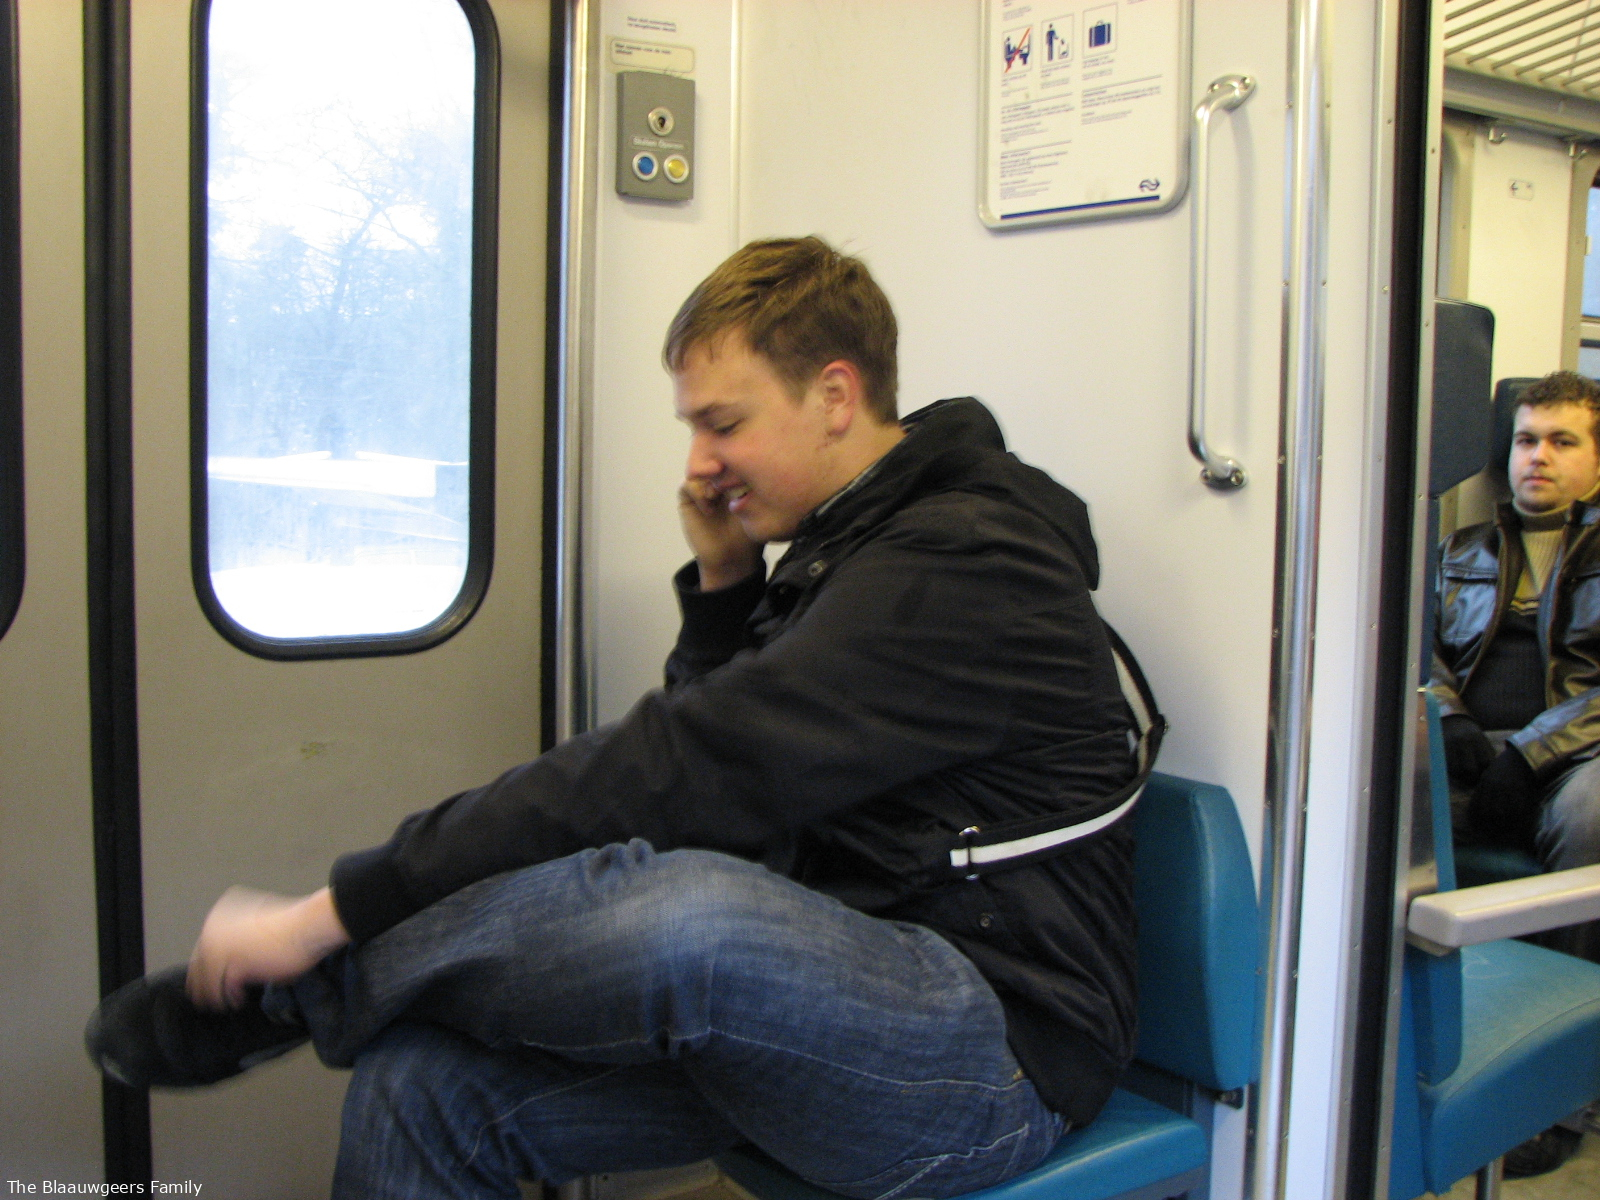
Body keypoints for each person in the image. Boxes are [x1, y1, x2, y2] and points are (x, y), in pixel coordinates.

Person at [88, 237, 1152, 1200]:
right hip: (821, 1010)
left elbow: (688, 763)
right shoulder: (842, 549)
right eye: (693, 427)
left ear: (835, 395)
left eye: (722, 423)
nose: (697, 463)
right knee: (418, 1087)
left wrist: (332, 914)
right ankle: (317, 991)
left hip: (991, 1059)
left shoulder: (964, 559)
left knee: (686, 919)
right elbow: (723, 777)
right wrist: (727, 582)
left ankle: (299, 992)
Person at [1429, 369, 1600, 1176]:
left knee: (1594, 817)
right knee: (1373, 807)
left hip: (1576, 759)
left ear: (1596, 461)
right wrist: (1451, 719)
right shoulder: (1460, 549)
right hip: (1469, 750)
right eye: (1527, 439)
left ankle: (1559, 1095)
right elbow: (1414, 647)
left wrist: (1530, 755)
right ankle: (1409, 1055)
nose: (1539, 456)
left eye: (1563, 441)